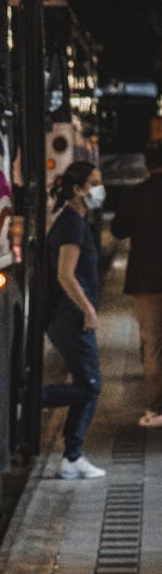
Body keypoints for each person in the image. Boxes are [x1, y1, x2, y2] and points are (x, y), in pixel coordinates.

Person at [42, 160, 106, 479]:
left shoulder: (75, 220)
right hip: (71, 318)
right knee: (91, 386)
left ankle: (72, 457)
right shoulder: (72, 224)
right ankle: (31, 399)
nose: (99, 189)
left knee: (87, 384)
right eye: (94, 183)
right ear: (79, 189)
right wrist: (88, 310)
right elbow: (65, 275)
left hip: (70, 317)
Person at [110, 139, 162, 427]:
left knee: (153, 345)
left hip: (147, 281)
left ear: (146, 165)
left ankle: (155, 409)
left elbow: (118, 230)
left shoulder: (135, 195)